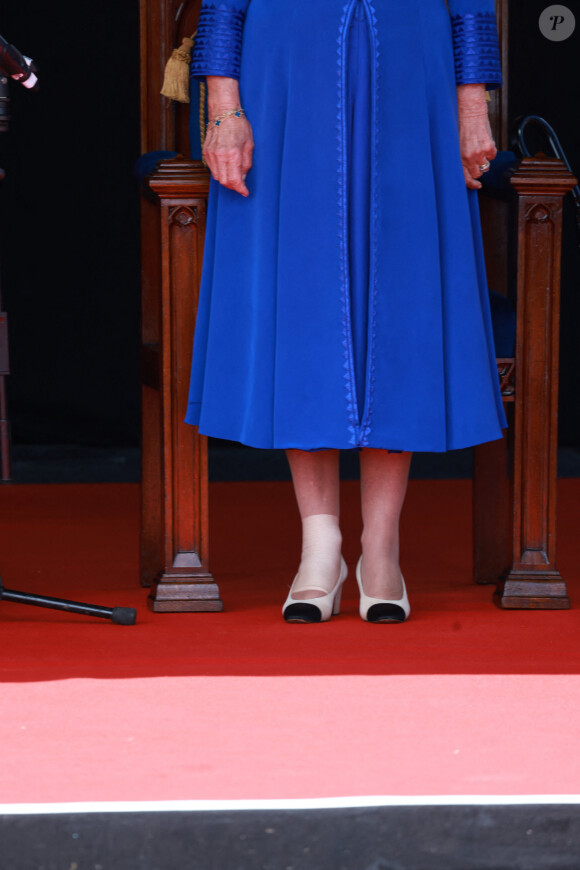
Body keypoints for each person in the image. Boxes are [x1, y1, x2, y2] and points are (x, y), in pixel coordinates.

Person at [186, 0, 505, 624]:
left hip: (414, 73)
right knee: (303, 307)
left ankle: (380, 550)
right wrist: (225, 109)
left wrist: (473, 106)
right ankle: (320, 548)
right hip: (286, 77)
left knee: (400, 307)